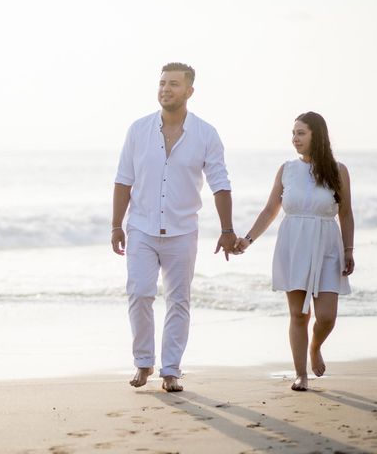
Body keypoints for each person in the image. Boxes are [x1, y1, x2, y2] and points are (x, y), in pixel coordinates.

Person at [111, 62, 236, 392]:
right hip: (140, 227)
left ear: (189, 91)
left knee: (179, 301)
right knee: (139, 293)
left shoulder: (206, 134)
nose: (166, 88)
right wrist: (116, 225)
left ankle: (170, 370)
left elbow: (220, 183)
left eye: (174, 84)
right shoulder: (138, 130)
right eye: (163, 83)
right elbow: (124, 180)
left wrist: (227, 230)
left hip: (182, 231)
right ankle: (142, 362)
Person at [234, 111, 354, 391]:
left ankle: (315, 346)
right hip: (294, 244)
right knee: (298, 315)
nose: (295, 139)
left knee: (326, 317)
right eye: (293, 133)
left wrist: (349, 249)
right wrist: (247, 240)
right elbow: (269, 210)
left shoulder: (338, 171)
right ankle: (301, 373)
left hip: (327, 246)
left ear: (317, 135)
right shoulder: (287, 169)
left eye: (301, 133)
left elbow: (346, 214)